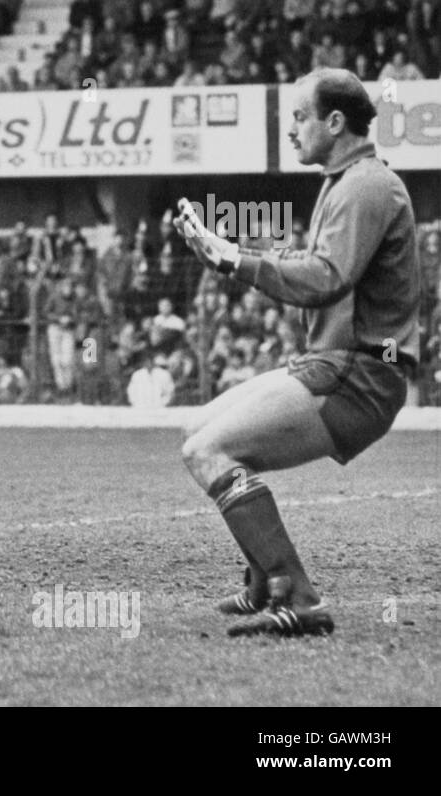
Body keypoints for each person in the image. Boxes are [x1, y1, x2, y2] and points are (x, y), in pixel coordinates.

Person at [175, 68, 420, 637]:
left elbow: (327, 278)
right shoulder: (348, 182)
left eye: (300, 118)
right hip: (337, 365)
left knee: (210, 451)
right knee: (199, 430)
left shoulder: (366, 185)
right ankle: (265, 582)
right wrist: (229, 253)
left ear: (335, 123)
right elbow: (322, 277)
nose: (291, 131)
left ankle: (300, 596)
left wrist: (234, 258)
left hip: (356, 375)